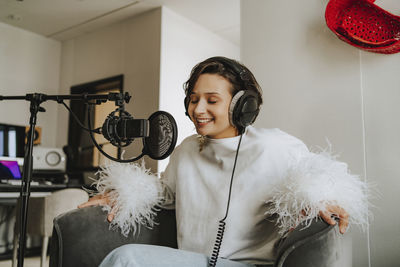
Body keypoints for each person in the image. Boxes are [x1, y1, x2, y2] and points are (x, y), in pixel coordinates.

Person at [78, 56, 368, 267]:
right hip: (193, 261)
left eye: (211, 100)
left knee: (127, 259)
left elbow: (320, 176)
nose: (198, 109)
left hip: (251, 266)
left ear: (243, 105)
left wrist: (323, 199)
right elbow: (163, 193)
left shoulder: (273, 146)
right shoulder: (188, 150)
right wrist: (121, 194)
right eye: (193, 99)